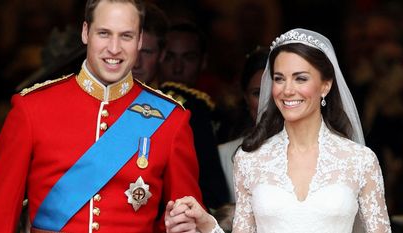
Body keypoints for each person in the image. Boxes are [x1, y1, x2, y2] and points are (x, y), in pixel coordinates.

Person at [0, 0, 203, 232]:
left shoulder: (170, 120)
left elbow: (185, 222)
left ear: (140, 40)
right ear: (85, 33)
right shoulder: (31, 108)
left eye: (126, 36)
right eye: (104, 33)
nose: (114, 48)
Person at [165, 28, 392, 233]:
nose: (288, 90)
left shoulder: (360, 160)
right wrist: (207, 224)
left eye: (300, 78)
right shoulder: (250, 159)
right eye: (279, 79)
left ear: (326, 85)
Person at [159, 22, 230, 210]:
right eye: (169, 57)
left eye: (188, 58)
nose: (177, 68)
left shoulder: (213, 115)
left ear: (203, 61)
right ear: (158, 58)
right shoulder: (149, 110)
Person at [217, 46, 268, 203]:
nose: (266, 102)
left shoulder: (309, 151)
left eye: (272, 91)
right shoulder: (224, 155)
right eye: (258, 94)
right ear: (245, 98)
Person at [132, 2, 169, 88]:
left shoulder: (175, 101)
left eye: (146, 52)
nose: (136, 64)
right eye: (130, 50)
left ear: (162, 55)